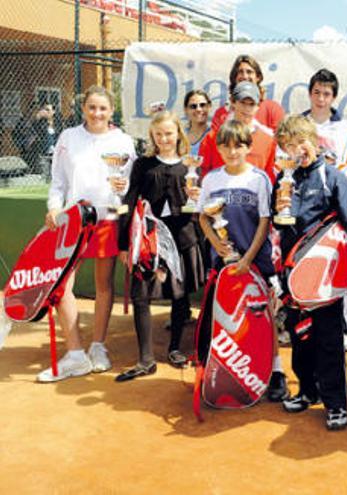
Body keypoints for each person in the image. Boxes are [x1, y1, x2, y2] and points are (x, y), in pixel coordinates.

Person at [273, 115, 347, 430]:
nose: (296, 150)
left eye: (300, 142)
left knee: (329, 340)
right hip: (293, 275)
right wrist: (279, 210)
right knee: (300, 336)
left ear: (313, 141)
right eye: (288, 146)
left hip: (326, 278)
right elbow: (279, 225)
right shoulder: (282, 181)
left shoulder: (333, 178)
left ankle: (336, 403)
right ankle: (307, 391)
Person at [40, 85, 136, 382]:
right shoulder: (68, 138)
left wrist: (124, 190)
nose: (97, 113)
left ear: (111, 112)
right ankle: (75, 354)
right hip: (73, 222)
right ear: (84, 109)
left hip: (107, 219)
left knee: (103, 284)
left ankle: (98, 347)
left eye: (103, 108)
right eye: (92, 107)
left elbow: (129, 183)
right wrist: (55, 207)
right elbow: (57, 180)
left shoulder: (123, 141)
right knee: (60, 287)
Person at [196, 119, 289, 401]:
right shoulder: (211, 179)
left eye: (238, 146)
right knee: (224, 315)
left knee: (263, 316)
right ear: (218, 148)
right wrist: (216, 243)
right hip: (223, 262)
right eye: (226, 147)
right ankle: (227, 370)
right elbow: (203, 216)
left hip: (256, 261)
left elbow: (264, 221)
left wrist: (248, 258)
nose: (232, 152)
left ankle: (275, 371)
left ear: (248, 147)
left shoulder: (259, 178)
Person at [115, 111, 205, 381]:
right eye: (159, 134)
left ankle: (175, 348)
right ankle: (145, 358)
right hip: (148, 240)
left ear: (178, 133)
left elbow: (197, 208)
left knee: (180, 295)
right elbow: (129, 202)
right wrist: (123, 244)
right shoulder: (143, 165)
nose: (164, 139)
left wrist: (196, 198)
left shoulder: (190, 167)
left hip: (182, 238)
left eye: (169, 133)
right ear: (152, 136)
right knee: (141, 295)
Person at [200, 82, 276, 182]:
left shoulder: (268, 141)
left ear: (258, 106)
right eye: (243, 103)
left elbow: (269, 177)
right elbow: (203, 173)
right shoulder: (212, 137)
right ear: (233, 102)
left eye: (252, 104)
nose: (247, 109)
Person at [302, 68, 347, 181]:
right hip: (301, 189)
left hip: (330, 193)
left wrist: (332, 188)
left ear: (334, 97)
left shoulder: (344, 128)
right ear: (309, 94)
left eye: (326, 94)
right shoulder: (297, 124)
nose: (320, 99)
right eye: (316, 92)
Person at [211, 54, 285, 132]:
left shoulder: (273, 109)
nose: (245, 76)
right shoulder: (221, 114)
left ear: (258, 77)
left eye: (249, 72)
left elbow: (279, 141)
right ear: (234, 78)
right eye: (240, 72)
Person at [14, 103, 59, 176]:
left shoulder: (57, 122)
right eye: (44, 110)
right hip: (39, 153)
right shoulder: (38, 123)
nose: (44, 112)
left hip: (55, 154)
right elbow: (34, 130)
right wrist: (37, 118)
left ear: (53, 112)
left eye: (47, 110)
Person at [183, 89, 212, 156]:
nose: (198, 109)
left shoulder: (217, 137)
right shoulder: (179, 136)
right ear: (186, 110)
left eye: (202, 105)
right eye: (193, 106)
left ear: (209, 106)